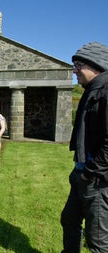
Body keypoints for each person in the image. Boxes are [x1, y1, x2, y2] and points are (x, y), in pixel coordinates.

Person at [61, 42, 108, 253]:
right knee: (69, 220)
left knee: (97, 240)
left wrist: (90, 173)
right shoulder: (91, 91)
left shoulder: (105, 93)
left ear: (95, 65)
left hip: (97, 179)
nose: (74, 70)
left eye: (79, 65)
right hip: (81, 172)